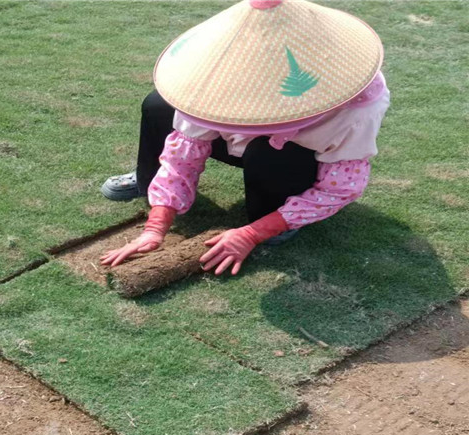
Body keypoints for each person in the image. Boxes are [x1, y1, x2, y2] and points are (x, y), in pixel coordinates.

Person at [100, 0, 390, 276]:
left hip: (292, 157)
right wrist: (156, 226)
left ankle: (277, 213)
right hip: (242, 143)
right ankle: (148, 180)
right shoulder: (210, 76)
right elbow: (182, 156)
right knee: (159, 106)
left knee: (269, 154)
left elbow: (339, 188)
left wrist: (253, 233)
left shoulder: (357, 107)